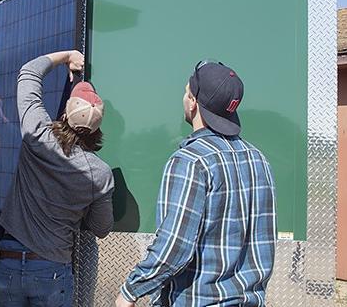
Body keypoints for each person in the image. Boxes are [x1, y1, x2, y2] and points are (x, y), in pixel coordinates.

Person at [115, 60, 277, 306]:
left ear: (193, 103)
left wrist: (131, 290)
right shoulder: (259, 159)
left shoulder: (191, 160)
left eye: (186, 92)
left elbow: (174, 248)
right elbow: (263, 244)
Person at [0, 50, 114, 307]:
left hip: (9, 261)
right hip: (52, 270)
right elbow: (101, 228)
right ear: (98, 128)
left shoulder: (37, 135)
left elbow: (29, 72)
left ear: (64, 115)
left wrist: (67, 56)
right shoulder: (100, 174)